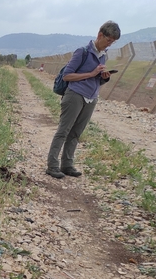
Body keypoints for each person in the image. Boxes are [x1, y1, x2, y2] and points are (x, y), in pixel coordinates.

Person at [46, 20, 120, 179]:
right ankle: (52, 166)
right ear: (100, 35)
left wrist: (103, 78)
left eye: (113, 42)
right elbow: (67, 75)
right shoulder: (82, 52)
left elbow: (95, 79)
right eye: (108, 40)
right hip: (75, 95)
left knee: (76, 133)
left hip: (91, 98)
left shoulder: (103, 56)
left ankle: (67, 165)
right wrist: (91, 74)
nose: (109, 44)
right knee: (63, 131)